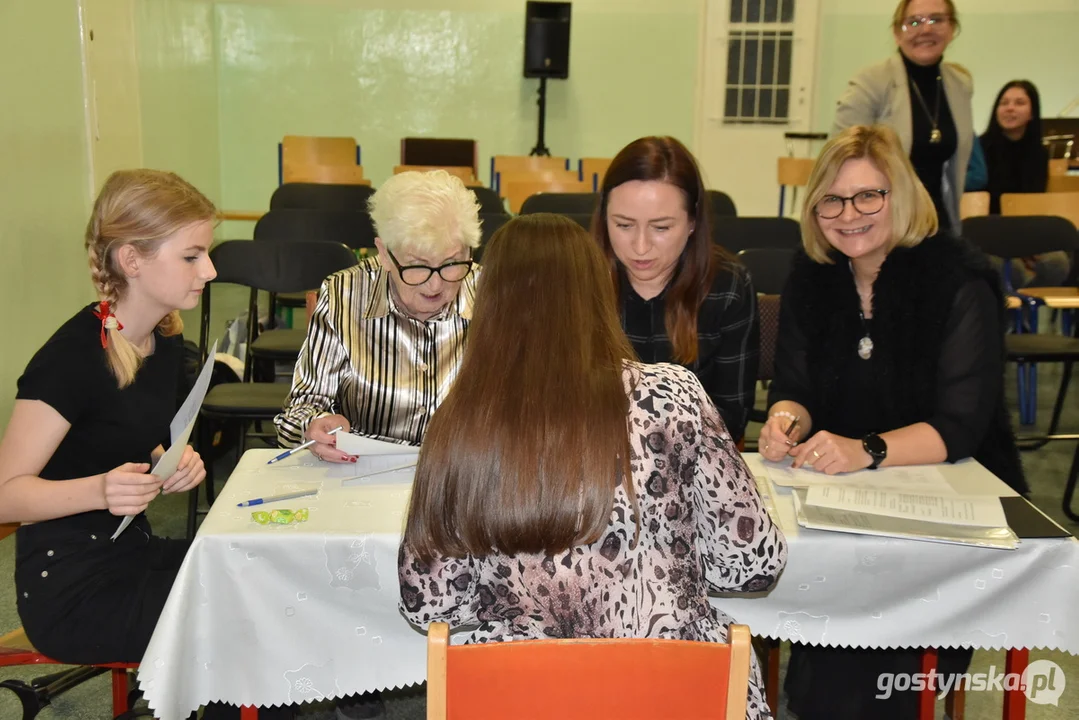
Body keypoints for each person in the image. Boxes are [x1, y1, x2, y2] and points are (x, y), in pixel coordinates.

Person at [399, 213, 787, 720]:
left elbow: (429, 604)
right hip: (675, 696)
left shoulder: (461, 419)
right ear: (598, 293)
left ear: (488, 301)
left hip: (524, 699)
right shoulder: (673, 396)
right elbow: (752, 565)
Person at [759, 125, 1026, 719]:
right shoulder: (812, 277)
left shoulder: (957, 281)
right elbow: (794, 389)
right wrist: (784, 421)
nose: (848, 214)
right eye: (831, 199)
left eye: (867, 196)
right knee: (826, 683)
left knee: (883, 691)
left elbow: (961, 424)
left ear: (899, 196)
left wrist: (866, 450)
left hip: (950, 511)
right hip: (842, 506)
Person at [0, 170, 212, 665]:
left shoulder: (163, 338)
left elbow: (128, 434)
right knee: (238, 618)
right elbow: (6, 495)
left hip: (127, 552)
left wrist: (171, 460)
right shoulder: (72, 358)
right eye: (192, 256)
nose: (210, 271)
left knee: (251, 576)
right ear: (131, 260)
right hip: (73, 589)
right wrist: (100, 490)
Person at [274, 170, 481, 460]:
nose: (435, 284)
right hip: (364, 473)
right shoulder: (343, 294)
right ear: (384, 253)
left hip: (465, 473)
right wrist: (314, 428)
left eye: (450, 264)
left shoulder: (492, 293)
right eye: (417, 266)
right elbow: (298, 412)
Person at [594, 136, 759, 442]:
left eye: (661, 228)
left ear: (693, 221)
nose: (640, 247)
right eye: (623, 225)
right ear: (604, 217)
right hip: (595, 460)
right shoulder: (580, 280)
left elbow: (730, 418)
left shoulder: (728, 287)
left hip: (691, 462)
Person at [833, 0, 972, 236]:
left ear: (951, 29)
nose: (925, 29)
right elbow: (839, 158)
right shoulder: (870, 83)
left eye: (936, 20)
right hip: (878, 224)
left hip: (939, 222)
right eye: (914, 22)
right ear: (897, 33)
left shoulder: (960, 85)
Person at [980, 80, 1070, 286]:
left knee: (1057, 263)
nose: (1010, 108)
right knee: (1011, 269)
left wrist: (1027, 245)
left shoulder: (1039, 154)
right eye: (1004, 103)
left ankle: (1028, 311)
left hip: (1027, 235)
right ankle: (1009, 315)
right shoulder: (980, 148)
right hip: (990, 236)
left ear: (1032, 113)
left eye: (1019, 102)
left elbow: (1034, 205)